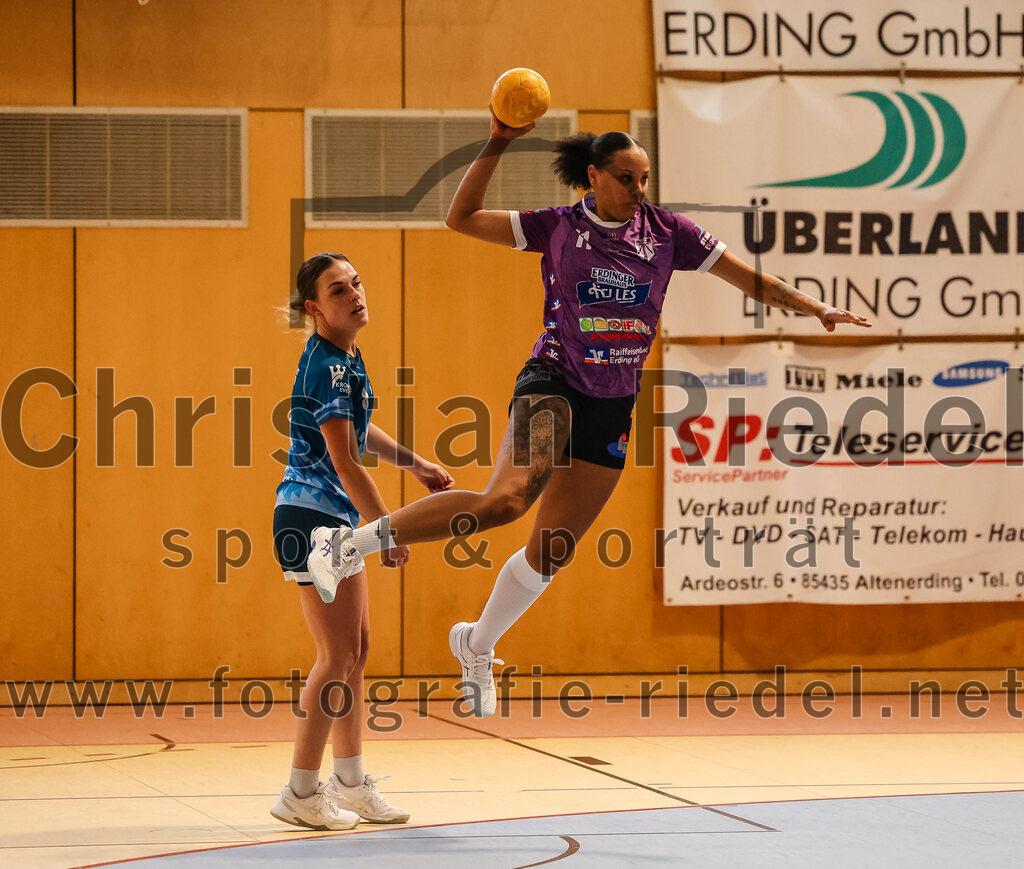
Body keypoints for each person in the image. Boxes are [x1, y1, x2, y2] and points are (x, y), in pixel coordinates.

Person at [308, 116, 871, 717]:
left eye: (645, 178)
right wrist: (498, 142)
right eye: (626, 178)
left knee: (551, 549)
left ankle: (476, 643)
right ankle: (350, 544)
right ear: (594, 178)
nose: (638, 189)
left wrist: (815, 308)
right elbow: (461, 218)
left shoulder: (669, 234)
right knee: (505, 503)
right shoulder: (557, 227)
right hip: (553, 383)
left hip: (612, 402)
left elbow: (749, 279)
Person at [270, 252, 454, 830]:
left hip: (332, 523)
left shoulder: (347, 358)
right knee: (337, 656)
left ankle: (349, 783)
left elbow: (359, 432)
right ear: (314, 308)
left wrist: (416, 462)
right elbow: (346, 462)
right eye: (337, 289)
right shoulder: (325, 364)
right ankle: (300, 790)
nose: (354, 294)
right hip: (312, 520)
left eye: (356, 283)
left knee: (357, 652)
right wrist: (389, 529)